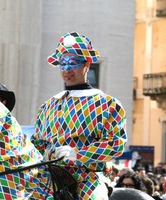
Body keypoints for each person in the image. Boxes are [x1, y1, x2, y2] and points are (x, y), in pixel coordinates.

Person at [31, 31, 127, 199]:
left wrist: (77, 153)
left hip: (87, 178)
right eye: (63, 63)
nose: (67, 69)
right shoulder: (47, 106)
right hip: (46, 177)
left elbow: (116, 145)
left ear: (87, 65)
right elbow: (37, 144)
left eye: (73, 63)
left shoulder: (108, 104)